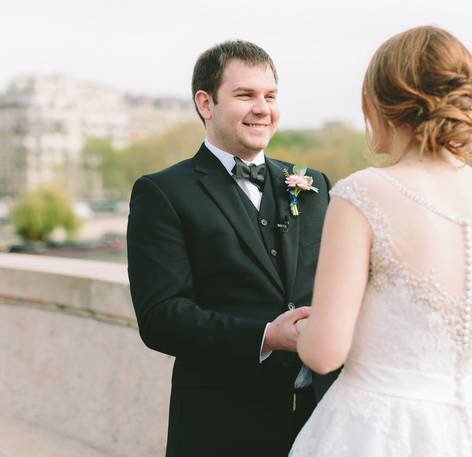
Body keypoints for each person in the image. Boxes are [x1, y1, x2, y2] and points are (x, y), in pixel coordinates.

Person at [290, 26, 472, 456]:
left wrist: (303, 328)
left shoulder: (362, 193)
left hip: (380, 428)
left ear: (380, 103)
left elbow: (325, 353)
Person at [127, 40, 336, 457]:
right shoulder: (162, 192)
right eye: (245, 95)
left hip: (322, 422)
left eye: (270, 96)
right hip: (220, 426)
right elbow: (161, 317)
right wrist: (266, 337)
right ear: (206, 103)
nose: (263, 108)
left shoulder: (315, 185)